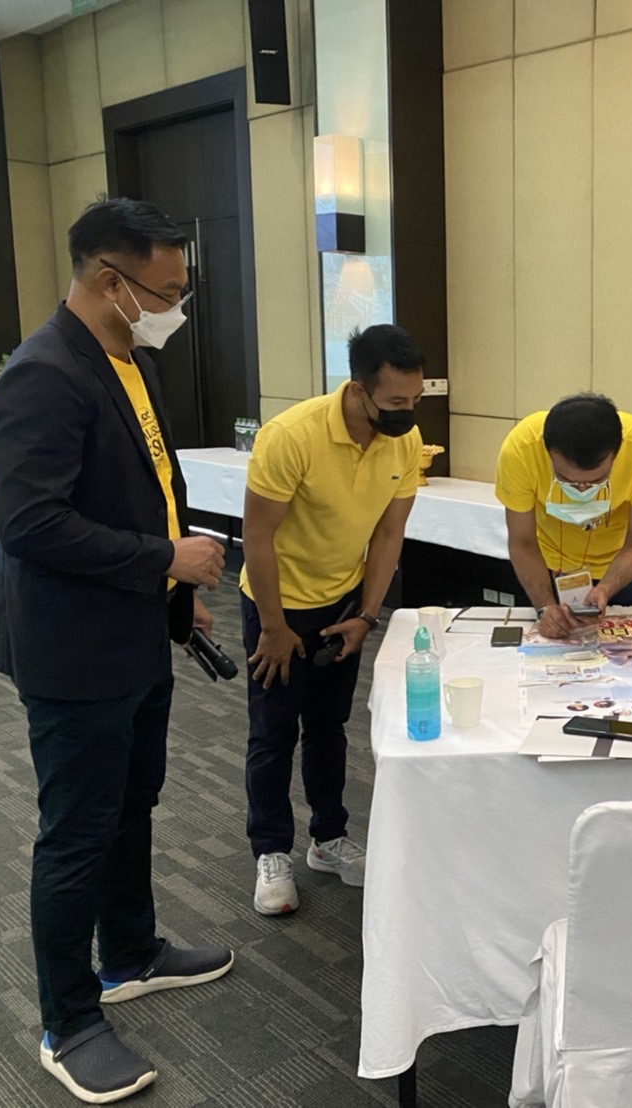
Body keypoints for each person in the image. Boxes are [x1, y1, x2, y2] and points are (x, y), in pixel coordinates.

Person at [0, 198, 234, 1104]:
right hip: (72, 647)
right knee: (77, 833)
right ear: (108, 280)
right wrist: (166, 559)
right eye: (165, 291)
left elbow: (148, 486)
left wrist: (176, 598)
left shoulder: (129, 358)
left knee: (133, 803)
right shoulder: (42, 375)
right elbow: (33, 525)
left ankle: (130, 953)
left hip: (136, 629)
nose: (176, 306)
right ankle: (70, 1022)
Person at [241, 325, 425, 915]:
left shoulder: (405, 440)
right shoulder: (291, 436)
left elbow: (389, 534)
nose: (407, 412)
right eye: (395, 401)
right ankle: (271, 852)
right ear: (359, 388)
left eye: (415, 399)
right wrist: (274, 626)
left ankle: (329, 838)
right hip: (277, 602)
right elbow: (257, 536)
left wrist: (367, 615)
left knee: (328, 725)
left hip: (343, 604)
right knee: (273, 731)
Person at [496, 393, 632, 639]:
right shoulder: (521, 448)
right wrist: (545, 607)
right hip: (549, 567)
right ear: (548, 452)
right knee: (552, 644)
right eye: (566, 480)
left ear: (616, 454)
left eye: (596, 481)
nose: (581, 490)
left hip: (626, 565)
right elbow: (522, 542)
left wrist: (606, 588)